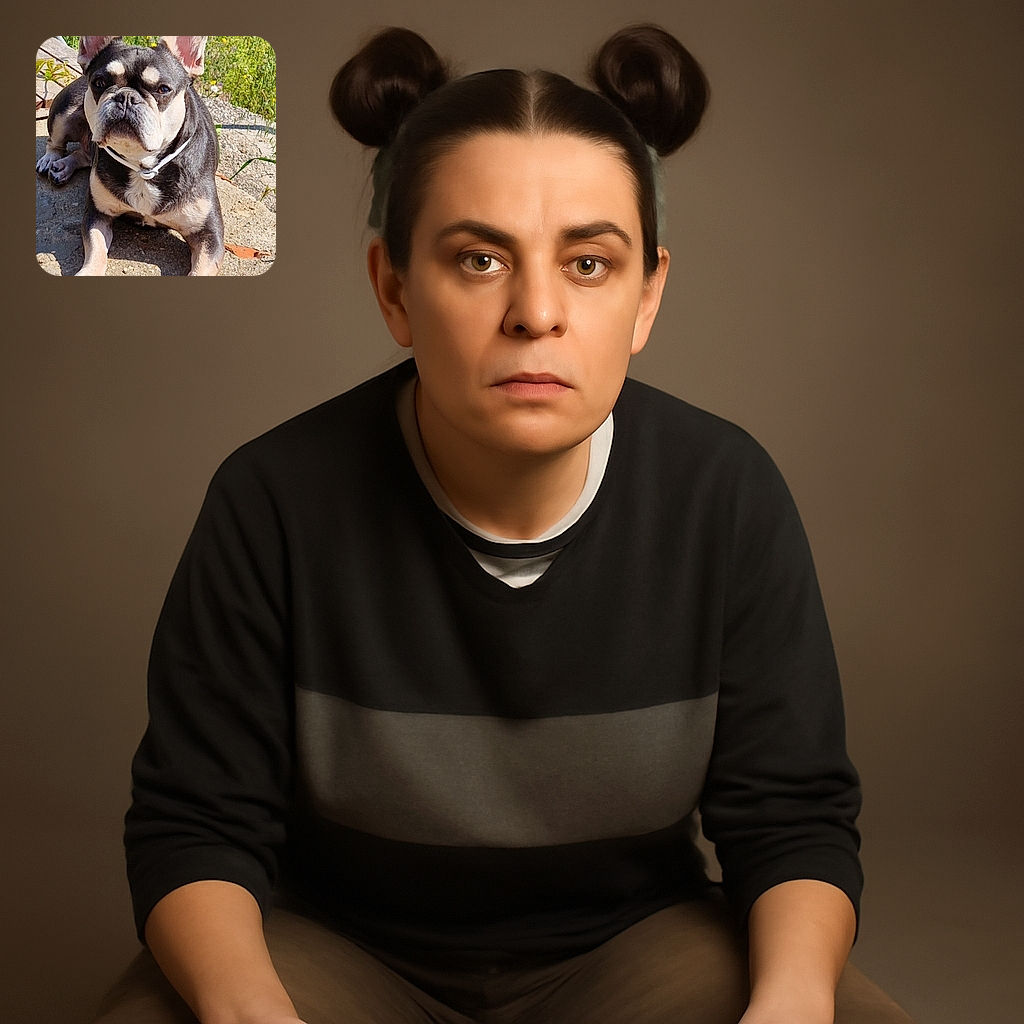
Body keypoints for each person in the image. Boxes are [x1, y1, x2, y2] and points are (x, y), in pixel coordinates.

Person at [93, 24, 914, 1024]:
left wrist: (787, 1008)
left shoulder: (724, 494)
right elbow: (194, 826)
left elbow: (793, 822)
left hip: (632, 948)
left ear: (647, 295)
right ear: (394, 289)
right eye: (479, 260)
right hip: (333, 947)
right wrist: (253, 1013)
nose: (535, 312)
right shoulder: (273, 498)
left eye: (588, 264)